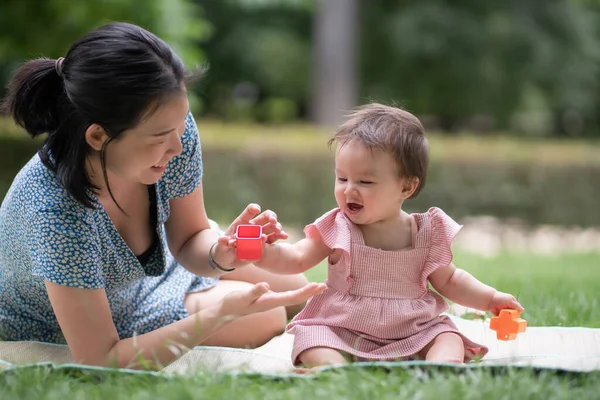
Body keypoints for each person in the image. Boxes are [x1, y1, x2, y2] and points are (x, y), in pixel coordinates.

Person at [0, 22, 325, 370]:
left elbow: (189, 239)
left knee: (295, 282)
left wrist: (222, 253)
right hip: (77, 318)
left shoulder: (170, 132)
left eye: (179, 125)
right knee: (266, 314)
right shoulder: (54, 211)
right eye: (160, 137)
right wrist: (216, 316)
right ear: (97, 136)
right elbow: (99, 360)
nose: (178, 146)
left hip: (144, 279)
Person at [219, 103, 524, 370]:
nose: (349, 189)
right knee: (313, 338)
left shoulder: (427, 231)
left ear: (406, 187)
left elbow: (451, 280)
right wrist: (260, 251)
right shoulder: (337, 226)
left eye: (365, 181)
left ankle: (444, 365)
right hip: (342, 325)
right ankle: (331, 368)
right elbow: (296, 258)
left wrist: (490, 298)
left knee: (446, 335)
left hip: (412, 328)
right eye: (342, 178)